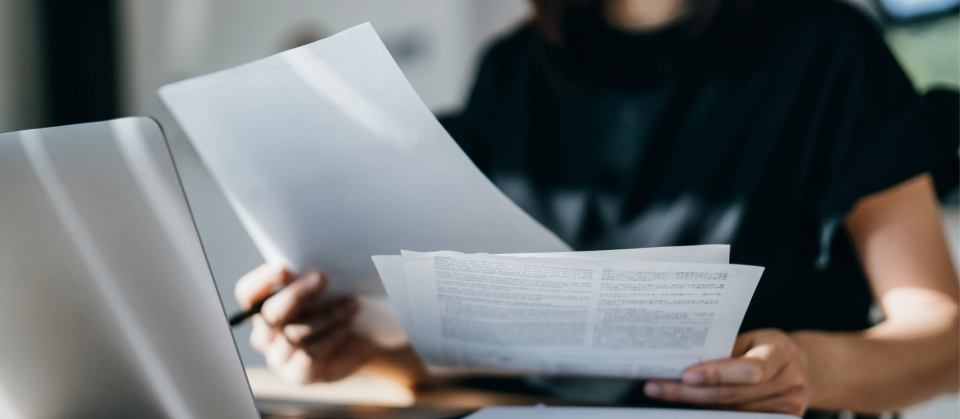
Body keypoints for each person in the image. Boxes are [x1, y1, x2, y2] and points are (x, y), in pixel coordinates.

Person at [233, 0, 960, 417]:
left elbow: (944, 338)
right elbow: (487, 349)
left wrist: (809, 366)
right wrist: (361, 350)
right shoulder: (514, 72)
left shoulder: (831, 52)